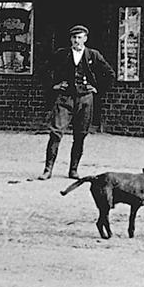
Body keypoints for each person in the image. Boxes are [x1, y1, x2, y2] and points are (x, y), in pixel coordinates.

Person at [38, 24, 115, 180]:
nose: (76, 41)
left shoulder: (93, 55)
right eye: (74, 37)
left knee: (80, 135)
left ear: (85, 39)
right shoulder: (62, 54)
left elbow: (109, 73)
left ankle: (73, 169)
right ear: (70, 39)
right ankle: (48, 169)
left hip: (85, 99)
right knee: (56, 133)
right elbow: (44, 70)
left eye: (80, 37)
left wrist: (97, 88)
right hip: (64, 99)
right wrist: (54, 85)